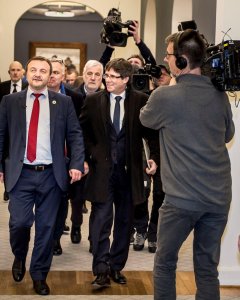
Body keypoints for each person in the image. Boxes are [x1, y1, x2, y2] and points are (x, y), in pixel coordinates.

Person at [140, 29, 235, 300]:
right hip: (218, 198)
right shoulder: (220, 96)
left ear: (181, 61)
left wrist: (169, 85)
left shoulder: (164, 97)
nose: (165, 60)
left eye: (168, 56)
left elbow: (145, 118)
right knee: (207, 268)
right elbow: (228, 135)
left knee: (165, 264)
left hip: (181, 200)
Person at [0, 56, 86, 296]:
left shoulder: (64, 102)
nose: (38, 74)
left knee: (47, 228)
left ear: (50, 76)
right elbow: (1, 135)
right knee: (19, 223)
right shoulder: (10, 101)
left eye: (43, 71)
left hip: (52, 175)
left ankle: (39, 274)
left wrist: (77, 163)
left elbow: (75, 135)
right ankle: (19, 255)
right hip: (20, 174)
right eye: (33, 70)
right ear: (26, 73)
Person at [80, 58, 158, 288]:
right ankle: (101, 270)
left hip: (129, 172)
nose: (108, 79)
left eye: (114, 76)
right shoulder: (93, 101)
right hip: (101, 171)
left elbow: (152, 135)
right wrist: (85, 158)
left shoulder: (141, 101)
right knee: (101, 222)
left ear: (126, 79)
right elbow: (81, 133)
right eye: (108, 75)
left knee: (124, 223)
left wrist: (153, 158)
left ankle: (116, 267)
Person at [47, 57, 84, 254]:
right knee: (50, 201)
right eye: (49, 71)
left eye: (56, 72)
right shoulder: (32, 97)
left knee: (66, 200)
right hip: (43, 159)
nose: (52, 75)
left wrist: (79, 159)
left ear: (64, 76)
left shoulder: (75, 98)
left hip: (67, 159)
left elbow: (79, 132)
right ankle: (51, 237)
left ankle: (59, 234)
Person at [70, 59, 103, 249]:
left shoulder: (107, 96)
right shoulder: (73, 97)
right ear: (84, 74)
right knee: (77, 197)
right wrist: (79, 158)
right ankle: (76, 225)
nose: (93, 78)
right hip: (77, 154)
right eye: (89, 73)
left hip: (99, 156)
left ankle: (94, 236)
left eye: (97, 74)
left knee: (98, 198)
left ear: (102, 77)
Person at [0, 60, 28, 201]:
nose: (15, 72)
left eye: (18, 70)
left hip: (22, 129)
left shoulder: (28, 87)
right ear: (9, 72)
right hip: (6, 128)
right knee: (6, 157)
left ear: (23, 72)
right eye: (13, 70)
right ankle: (7, 187)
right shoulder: (2, 87)